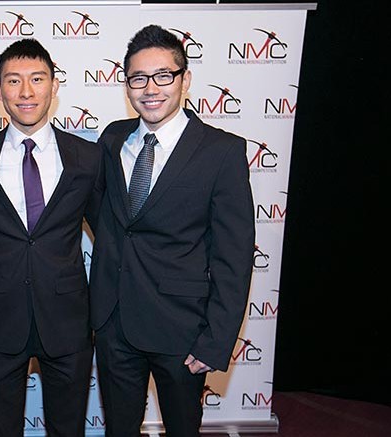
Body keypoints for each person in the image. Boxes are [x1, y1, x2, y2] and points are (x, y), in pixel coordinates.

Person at [89, 25, 255, 437]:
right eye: (138, 79)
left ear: (185, 79)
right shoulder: (112, 139)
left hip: (183, 331)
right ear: (126, 84)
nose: (151, 89)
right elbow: (110, 220)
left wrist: (216, 340)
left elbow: (233, 258)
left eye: (164, 75)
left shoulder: (222, 151)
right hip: (115, 323)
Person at [0, 38, 103, 437]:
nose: (26, 92)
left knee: (68, 429)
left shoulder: (87, 158)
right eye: (13, 81)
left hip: (68, 320)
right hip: (0, 322)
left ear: (54, 86)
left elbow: (113, 236)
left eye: (37, 79)